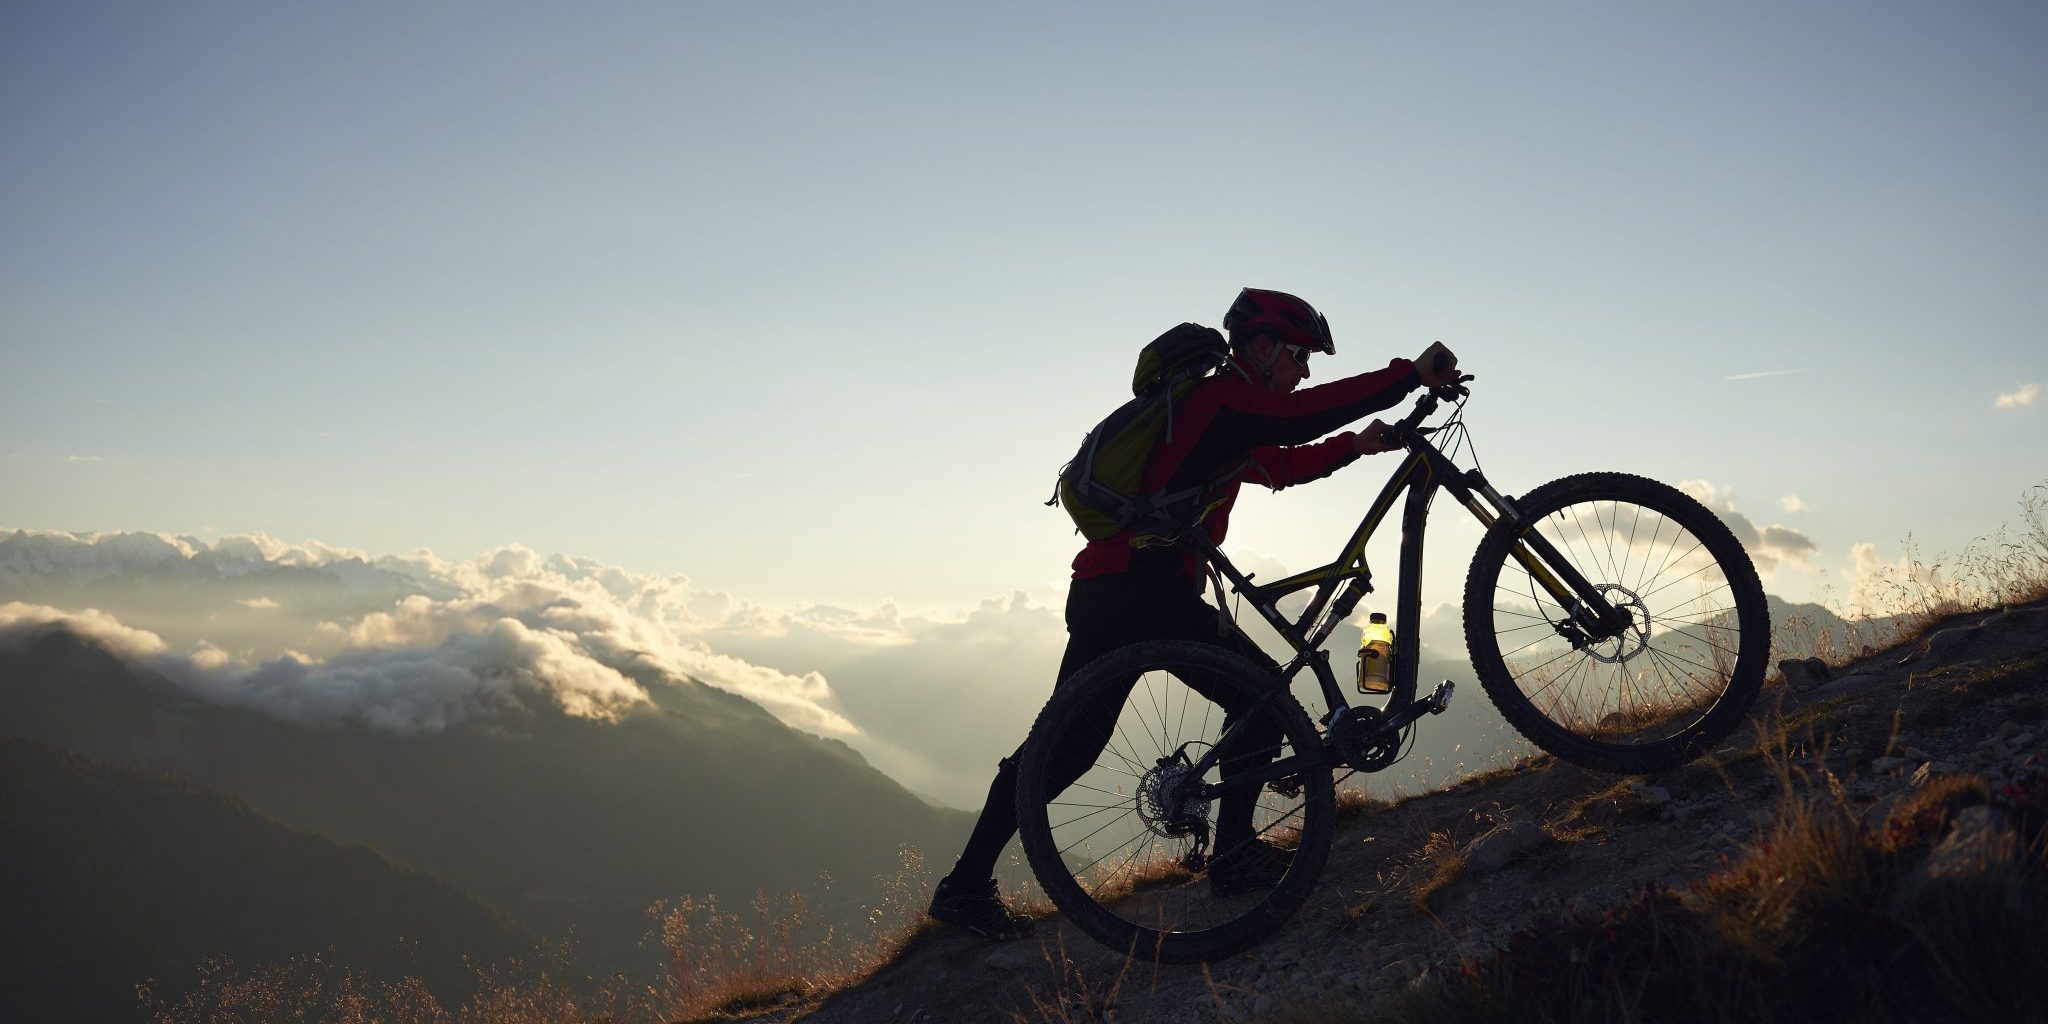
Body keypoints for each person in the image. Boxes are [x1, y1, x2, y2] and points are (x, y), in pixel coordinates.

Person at [927, 288, 1461, 940]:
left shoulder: (1215, 416)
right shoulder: (1224, 400)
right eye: (1298, 355)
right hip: (1146, 591)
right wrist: (1407, 377)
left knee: (1065, 749)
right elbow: (1298, 419)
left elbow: (1280, 464)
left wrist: (1360, 445)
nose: (1304, 369)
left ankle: (963, 887)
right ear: (1260, 348)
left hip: (1114, 589)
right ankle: (1234, 859)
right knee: (1260, 701)